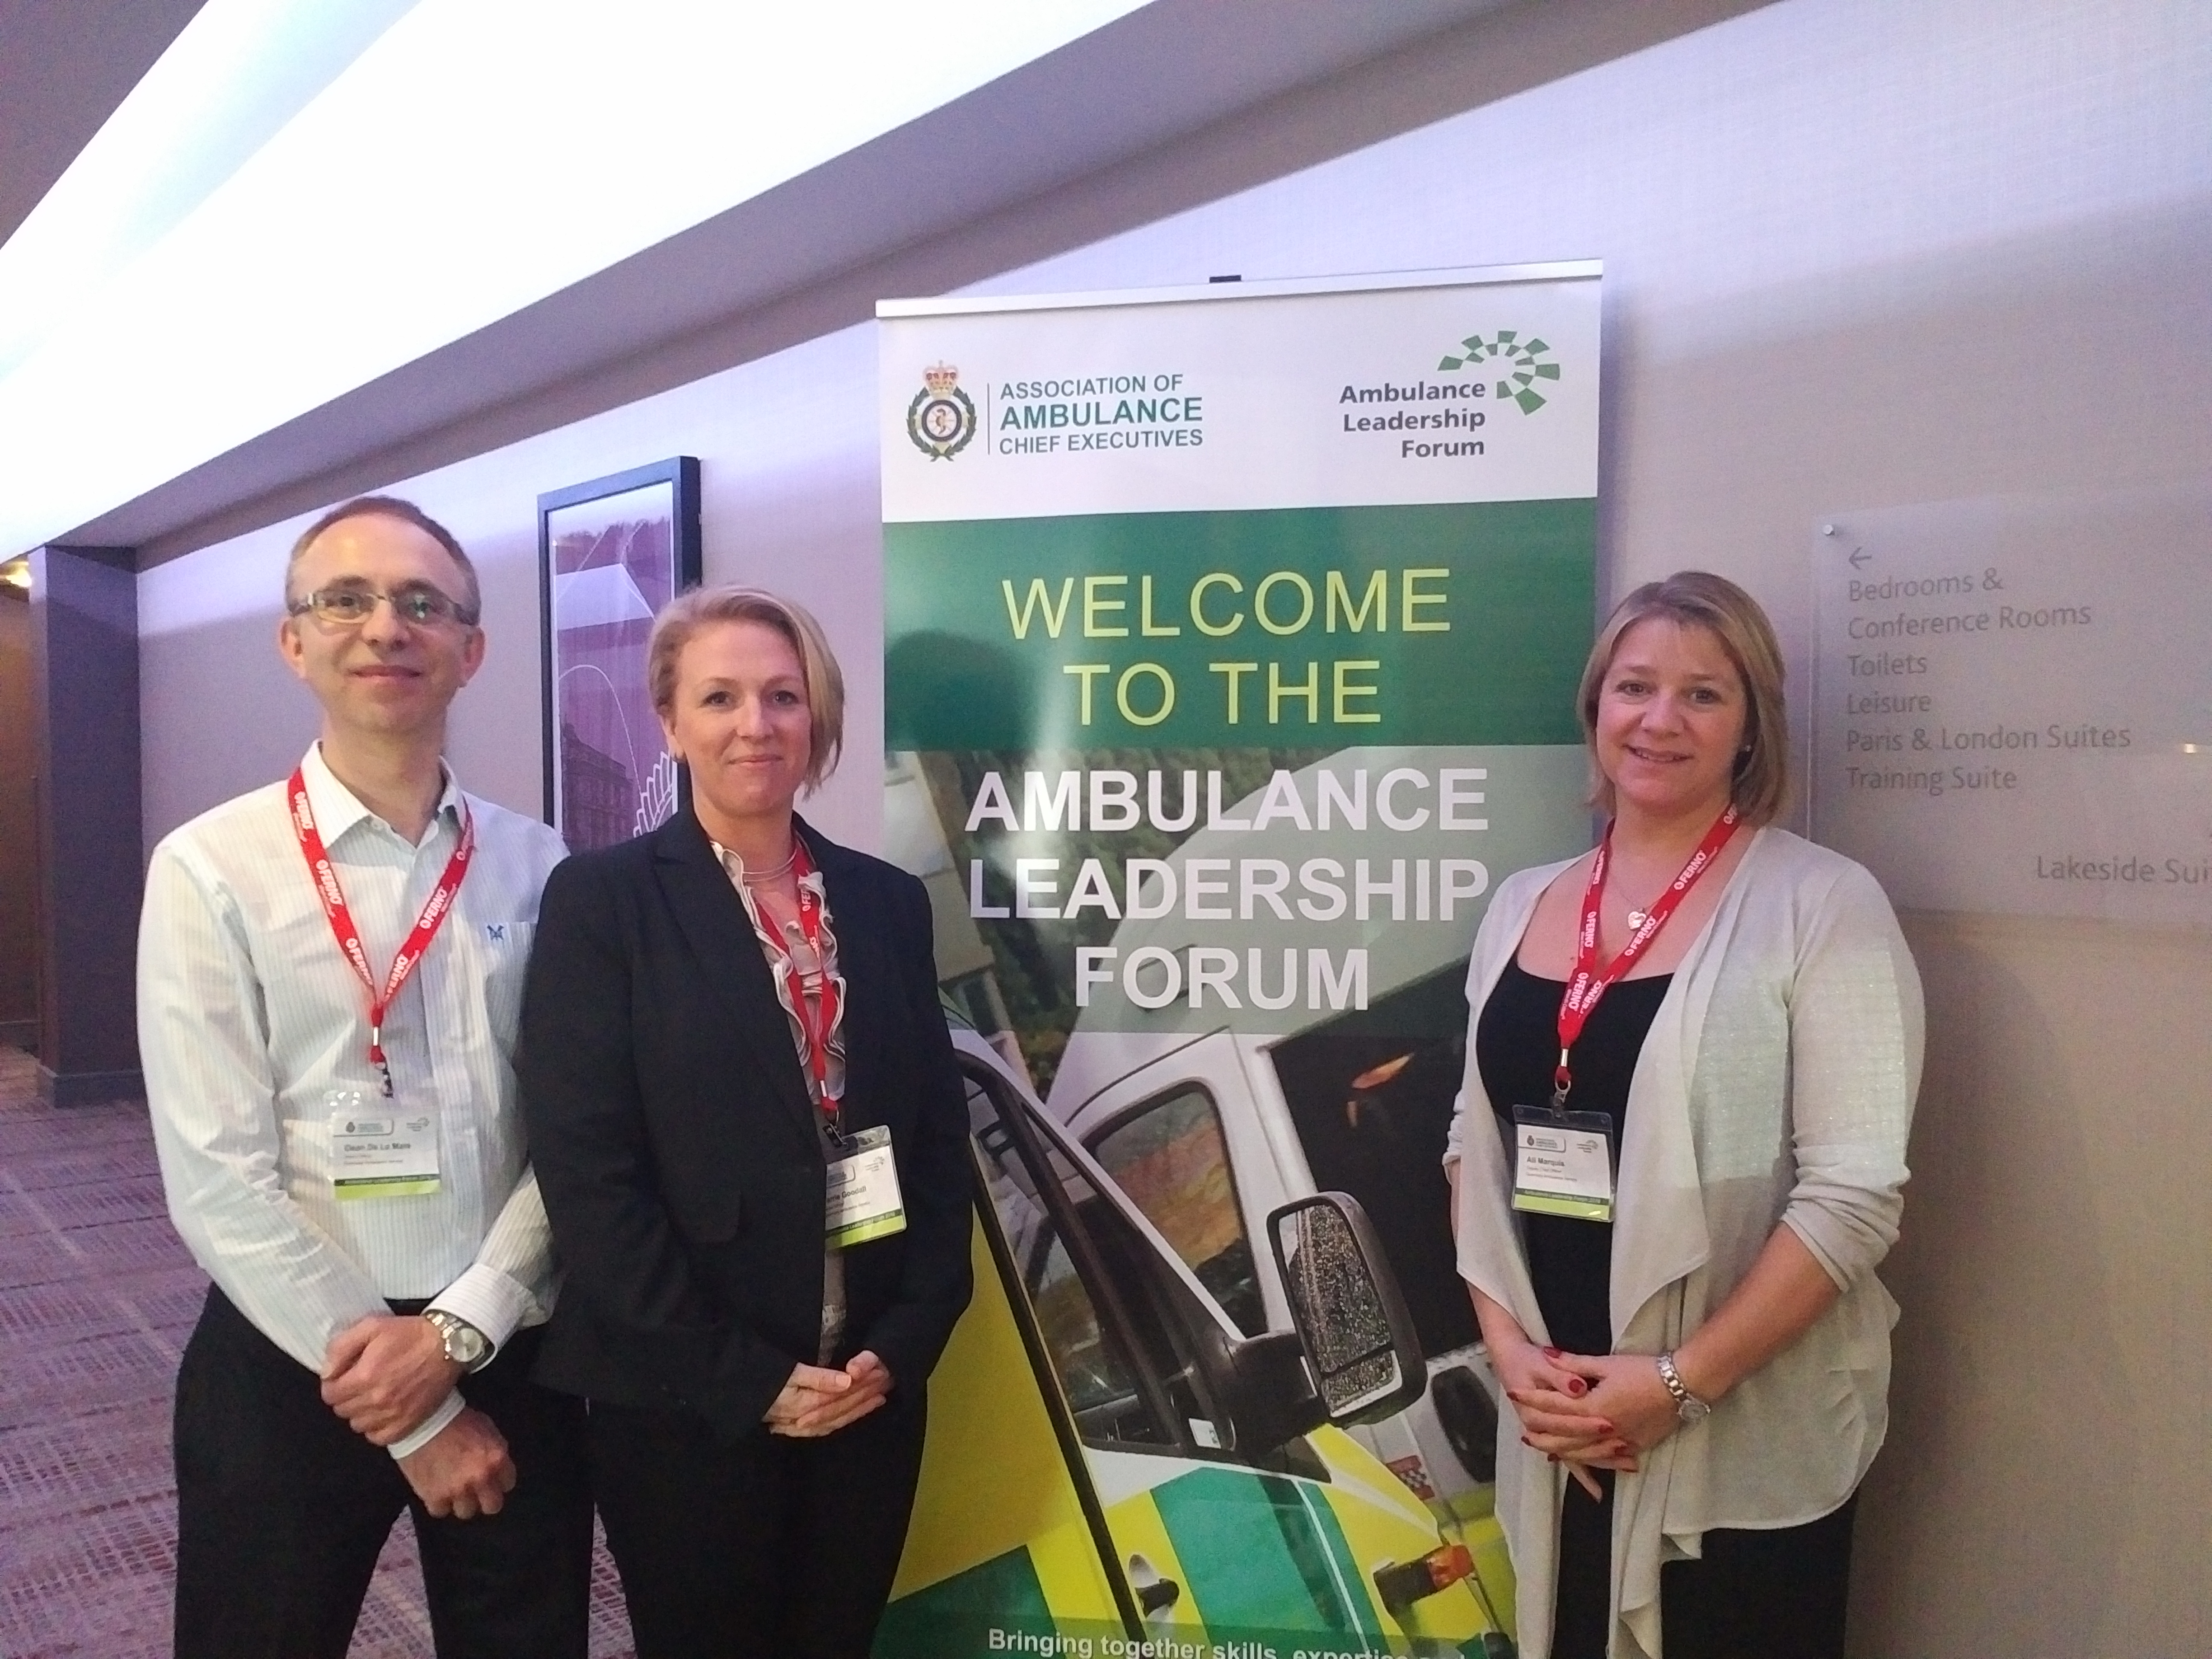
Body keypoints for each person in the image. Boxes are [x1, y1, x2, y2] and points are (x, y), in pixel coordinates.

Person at [137, 497, 594, 1657]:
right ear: (296, 643)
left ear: (470, 650)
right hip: (289, 1358)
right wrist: (418, 1408)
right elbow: (217, 1182)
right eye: (346, 600)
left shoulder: (544, 868)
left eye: (422, 604)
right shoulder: (208, 867)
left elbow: (579, 1135)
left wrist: (459, 1336)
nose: (385, 626)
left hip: (507, 1345)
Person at [1446, 572, 1923, 1659]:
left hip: (1734, 1440)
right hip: (1559, 1426)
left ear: (1751, 726)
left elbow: (1853, 1201)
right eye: (1635, 687)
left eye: (1704, 695)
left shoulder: (1825, 904)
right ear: (1595, 707)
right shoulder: (1523, 903)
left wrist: (1674, 1386)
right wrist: (1511, 1352)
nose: (1660, 720)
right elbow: (1468, 1142)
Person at [517, 585, 975, 1659]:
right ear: (672, 724)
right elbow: (591, 1175)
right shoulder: (605, 902)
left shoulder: (885, 902)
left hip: (866, 1388)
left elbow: (938, 1145)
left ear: (818, 716)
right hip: (687, 1400)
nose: (755, 724)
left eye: (782, 695)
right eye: (719, 697)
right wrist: (746, 1381)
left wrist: (905, 1343)